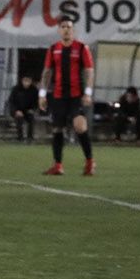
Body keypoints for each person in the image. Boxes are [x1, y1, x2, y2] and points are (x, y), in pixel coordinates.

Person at [37, 19, 96, 175]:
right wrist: (42, 94)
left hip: (76, 95)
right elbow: (47, 72)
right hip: (58, 96)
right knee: (57, 129)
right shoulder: (53, 49)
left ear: (73, 30)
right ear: (58, 30)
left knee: (80, 126)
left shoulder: (82, 48)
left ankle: (90, 162)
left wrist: (88, 93)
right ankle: (58, 165)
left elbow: (89, 71)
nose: (66, 30)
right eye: (63, 27)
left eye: (69, 27)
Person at [8, 74, 39, 143]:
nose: (27, 83)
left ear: (31, 81)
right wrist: (16, 111)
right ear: (22, 81)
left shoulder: (34, 90)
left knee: (31, 119)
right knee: (19, 119)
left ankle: (30, 138)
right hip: (17, 110)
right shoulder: (16, 89)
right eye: (25, 81)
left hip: (28, 110)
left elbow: (36, 102)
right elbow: (11, 102)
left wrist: (33, 109)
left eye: (29, 81)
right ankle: (20, 138)